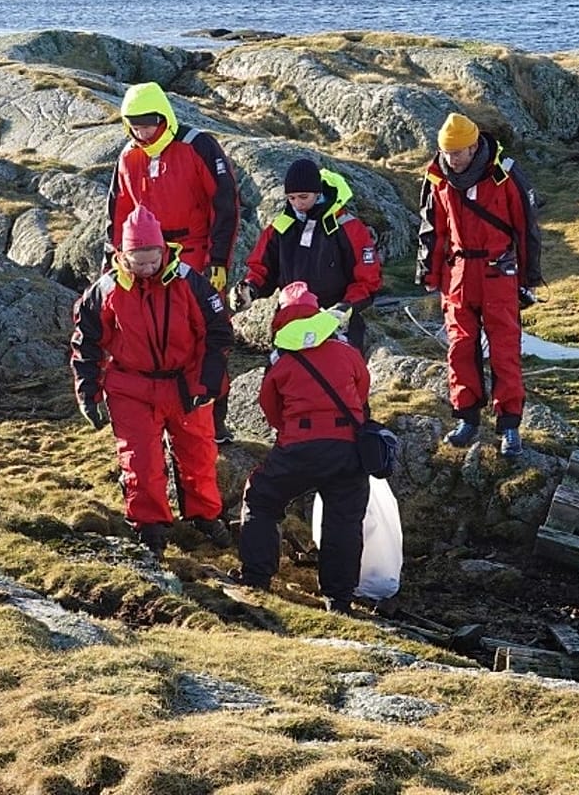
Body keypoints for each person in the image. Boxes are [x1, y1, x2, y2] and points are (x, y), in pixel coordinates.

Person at [71, 206, 234, 561]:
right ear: (122, 255)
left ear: (163, 250)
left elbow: (218, 333)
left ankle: (205, 516)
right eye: (139, 261)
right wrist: (88, 393)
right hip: (131, 387)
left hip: (185, 384)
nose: (147, 268)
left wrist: (207, 384)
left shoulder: (190, 282)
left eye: (153, 260)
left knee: (199, 454)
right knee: (140, 461)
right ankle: (150, 527)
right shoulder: (105, 290)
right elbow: (87, 343)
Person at [109, 81, 241, 444]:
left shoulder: (198, 146)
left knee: (206, 335)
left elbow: (225, 205)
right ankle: (160, 419)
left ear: (164, 117)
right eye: (135, 125)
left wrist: (219, 261)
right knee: (151, 336)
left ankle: (213, 421)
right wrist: (116, 259)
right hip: (143, 259)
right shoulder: (128, 157)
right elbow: (118, 211)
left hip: (195, 254)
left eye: (148, 123)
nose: (142, 131)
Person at [236, 282, 370, 615]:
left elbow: (270, 406)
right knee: (343, 521)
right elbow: (362, 390)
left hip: (299, 447)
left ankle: (256, 578)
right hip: (347, 450)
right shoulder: (345, 348)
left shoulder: (280, 357)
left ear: (280, 317)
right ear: (316, 312)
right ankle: (339, 600)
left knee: (261, 499)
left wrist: (290, 432)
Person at [416, 112, 542, 457]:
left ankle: (510, 426)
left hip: (498, 273)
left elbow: (526, 229)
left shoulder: (505, 175)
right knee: (459, 348)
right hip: (458, 275)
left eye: (457, 153)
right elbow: (432, 229)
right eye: (447, 152)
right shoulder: (437, 177)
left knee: (504, 350)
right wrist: (429, 273)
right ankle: (467, 419)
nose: (452, 159)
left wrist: (529, 278)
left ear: (473, 147)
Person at [231, 158, 382, 350]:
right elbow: (262, 269)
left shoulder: (347, 227)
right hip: (290, 320)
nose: (298, 204)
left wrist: (344, 308)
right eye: (291, 198)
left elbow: (368, 280)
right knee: (288, 368)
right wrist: (249, 290)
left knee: (336, 368)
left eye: (303, 197)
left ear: (318, 193)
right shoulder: (281, 228)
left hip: (334, 320)